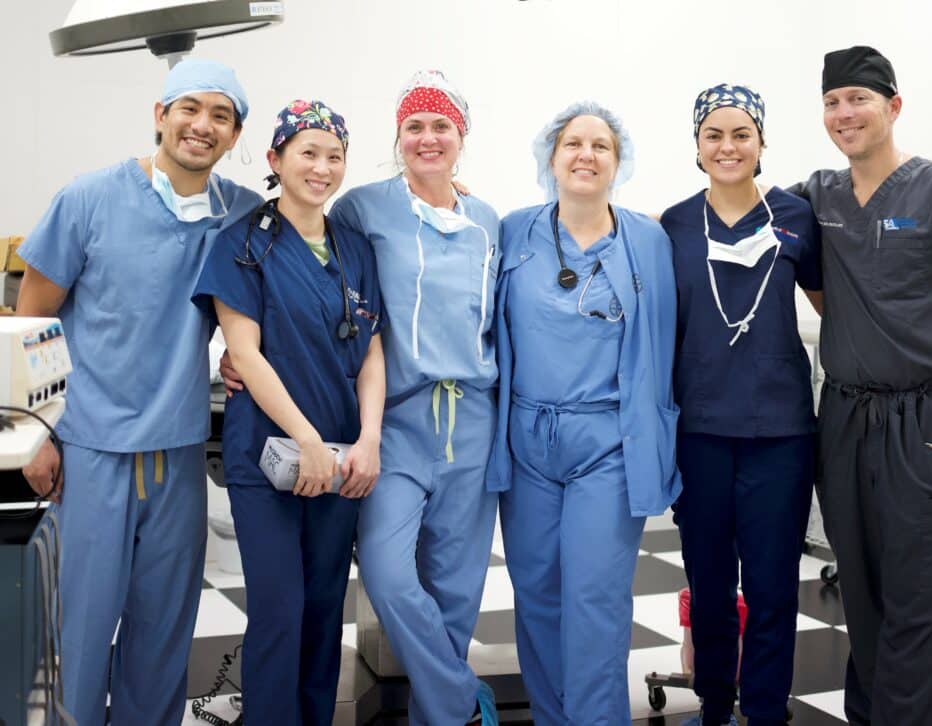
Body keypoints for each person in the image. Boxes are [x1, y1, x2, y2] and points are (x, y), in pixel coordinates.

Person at [14, 59, 261, 725]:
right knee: (82, 635)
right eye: (189, 108)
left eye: (220, 116)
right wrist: (31, 436)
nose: (201, 126)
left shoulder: (237, 213)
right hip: (92, 454)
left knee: (161, 639)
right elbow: (28, 322)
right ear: (159, 115)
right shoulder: (89, 199)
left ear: (235, 135)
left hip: (177, 454)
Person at [795, 46, 932, 726]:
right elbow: (739, 211)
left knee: (920, 597)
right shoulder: (818, 195)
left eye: (858, 98)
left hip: (928, 421)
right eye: (832, 102)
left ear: (893, 105)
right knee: (862, 595)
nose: (843, 113)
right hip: (846, 417)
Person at [192, 100, 386, 726]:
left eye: (334, 156)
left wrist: (369, 441)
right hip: (268, 456)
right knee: (280, 607)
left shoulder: (354, 248)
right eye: (308, 152)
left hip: (342, 461)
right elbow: (243, 353)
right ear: (275, 160)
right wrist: (305, 438)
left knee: (327, 607)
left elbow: (373, 354)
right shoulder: (243, 244)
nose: (322, 167)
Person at [486, 101, 681, 725]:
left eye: (601, 146)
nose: (586, 154)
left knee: (594, 599)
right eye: (573, 143)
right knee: (538, 596)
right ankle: (551, 716)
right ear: (551, 156)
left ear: (618, 162)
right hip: (527, 440)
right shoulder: (513, 231)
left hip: (608, 444)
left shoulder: (648, 240)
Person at [328, 70, 500, 724]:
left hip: (474, 424)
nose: (428, 138)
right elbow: (320, 287)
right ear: (398, 136)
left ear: (461, 136)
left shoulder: (487, 221)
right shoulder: (361, 209)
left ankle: (439, 718)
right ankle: (459, 696)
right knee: (390, 576)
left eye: (441, 127)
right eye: (414, 127)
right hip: (395, 423)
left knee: (456, 592)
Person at [659, 84, 822, 726]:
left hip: (780, 432)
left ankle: (764, 708)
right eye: (714, 136)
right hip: (699, 430)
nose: (728, 147)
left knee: (773, 584)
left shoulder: (797, 217)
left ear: (760, 143)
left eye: (741, 135)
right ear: (697, 147)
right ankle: (715, 704)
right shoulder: (671, 224)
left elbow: (835, 307)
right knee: (710, 586)